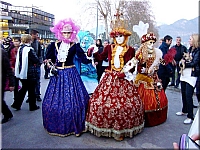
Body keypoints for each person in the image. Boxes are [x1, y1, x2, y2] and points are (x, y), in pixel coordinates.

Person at [85, 11, 144, 141]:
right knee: (100, 102)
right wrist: (93, 53)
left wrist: (127, 72)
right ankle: (101, 126)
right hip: (109, 77)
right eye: (116, 36)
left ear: (125, 37)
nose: (119, 38)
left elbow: (132, 65)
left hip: (123, 78)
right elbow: (100, 57)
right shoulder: (109, 48)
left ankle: (120, 130)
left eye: (121, 36)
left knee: (125, 105)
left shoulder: (130, 50)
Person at [42, 18, 92, 137]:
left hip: (71, 73)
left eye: (68, 32)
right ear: (60, 32)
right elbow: (48, 58)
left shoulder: (75, 46)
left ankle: (75, 125)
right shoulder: (54, 45)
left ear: (72, 33)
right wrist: (49, 65)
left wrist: (91, 58)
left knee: (75, 101)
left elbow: (83, 58)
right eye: (64, 32)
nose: (66, 35)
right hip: (57, 75)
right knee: (52, 102)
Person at [133, 31, 168, 127]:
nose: (152, 45)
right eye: (150, 43)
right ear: (145, 44)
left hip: (154, 77)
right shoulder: (140, 54)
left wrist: (166, 60)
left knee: (157, 96)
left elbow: (163, 62)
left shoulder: (157, 53)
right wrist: (143, 70)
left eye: (153, 43)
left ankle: (156, 118)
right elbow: (135, 65)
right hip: (143, 78)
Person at [11, 34, 40, 111]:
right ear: (29, 40)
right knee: (31, 90)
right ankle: (32, 106)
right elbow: (35, 60)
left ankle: (16, 104)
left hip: (21, 72)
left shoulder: (21, 48)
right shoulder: (29, 49)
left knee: (24, 88)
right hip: (29, 72)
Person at [176, 34, 200, 124]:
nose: (189, 41)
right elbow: (183, 58)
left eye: (190, 39)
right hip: (184, 74)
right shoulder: (189, 49)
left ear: (194, 40)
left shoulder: (198, 51)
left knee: (188, 95)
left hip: (192, 75)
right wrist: (182, 62)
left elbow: (194, 62)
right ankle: (184, 110)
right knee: (183, 93)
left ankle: (190, 116)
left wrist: (184, 64)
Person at [26, 29, 43, 102]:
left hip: (36, 64)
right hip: (29, 65)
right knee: (29, 81)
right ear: (32, 35)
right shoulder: (27, 44)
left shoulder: (37, 43)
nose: (37, 36)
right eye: (36, 34)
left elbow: (40, 54)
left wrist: (39, 62)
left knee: (37, 80)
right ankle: (30, 96)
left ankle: (37, 95)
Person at [1, 49, 15, 124]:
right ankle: (8, 114)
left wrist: (11, 83)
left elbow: (9, 70)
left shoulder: (2, 53)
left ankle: (7, 114)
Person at [10, 37, 21, 101]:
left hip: (21, 68)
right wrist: (12, 67)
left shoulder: (22, 49)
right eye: (15, 41)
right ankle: (16, 98)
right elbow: (11, 59)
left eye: (17, 41)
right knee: (16, 84)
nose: (16, 43)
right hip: (14, 68)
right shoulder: (12, 50)